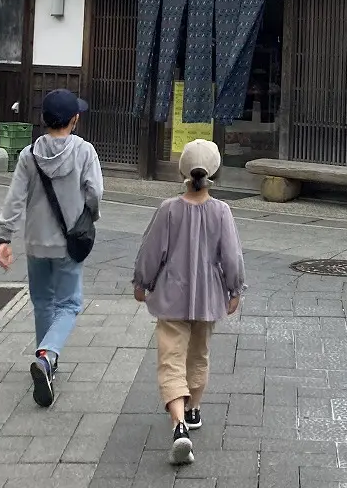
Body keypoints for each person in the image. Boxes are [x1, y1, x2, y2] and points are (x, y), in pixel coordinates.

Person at [132, 139, 245, 466]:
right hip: (209, 296)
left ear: (182, 170)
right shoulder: (222, 211)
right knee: (199, 355)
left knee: (171, 359)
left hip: (171, 295)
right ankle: (194, 409)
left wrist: (142, 283)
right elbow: (232, 257)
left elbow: (151, 251)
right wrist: (234, 290)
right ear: (215, 171)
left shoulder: (169, 208)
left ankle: (178, 423)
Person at [0, 89, 103, 408]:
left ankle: (46, 362)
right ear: (75, 120)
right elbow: (95, 192)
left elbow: (15, 198)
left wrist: (4, 237)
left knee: (43, 301)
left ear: (43, 121)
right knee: (69, 304)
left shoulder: (29, 155)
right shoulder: (84, 151)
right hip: (68, 243)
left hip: (35, 242)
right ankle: (47, 355)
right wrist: (89, 215)